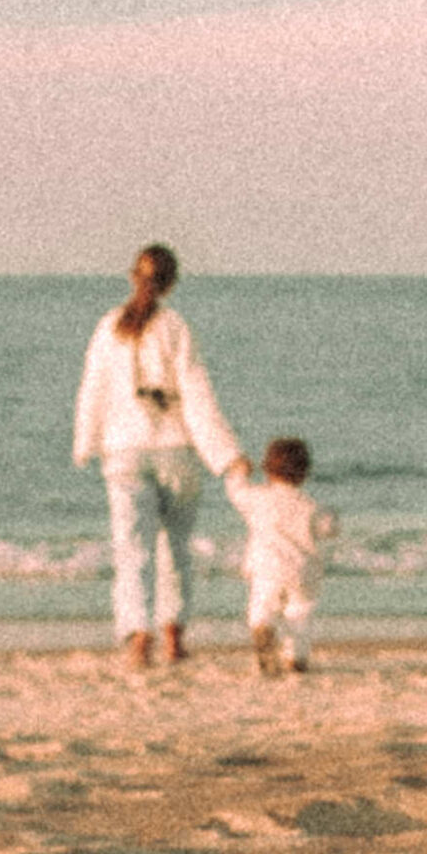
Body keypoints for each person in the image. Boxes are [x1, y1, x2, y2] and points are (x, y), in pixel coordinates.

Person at [72, 244, 249, 667]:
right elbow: (197, 396)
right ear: (171, 284)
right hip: (176, 452)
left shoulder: (108, 327)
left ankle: (138, 638)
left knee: (132, 550)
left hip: (123, 452)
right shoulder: (176, 328)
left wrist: (85, 442)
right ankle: (173, 636)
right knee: (176, 549)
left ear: (133, 276)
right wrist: (227, 455)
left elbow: (92, 390)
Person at [225, 437, 336, 676]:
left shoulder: (258, 498)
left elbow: (236, 492)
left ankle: (263, 627)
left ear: (266, 469)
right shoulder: (310, 506)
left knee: (262, 606)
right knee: (300, 612)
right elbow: (329, 527)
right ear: (305, 472)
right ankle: (296, 657)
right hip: (303, 569)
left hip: (266, 566)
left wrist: (239, 470)